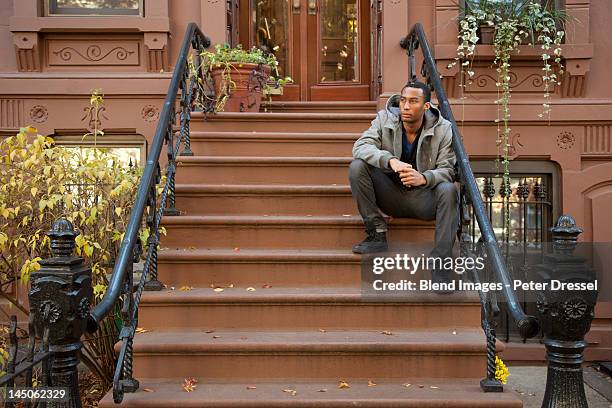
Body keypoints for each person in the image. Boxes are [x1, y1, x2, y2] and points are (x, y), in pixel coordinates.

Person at [348, 80, 458, 283]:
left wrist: (424, 178)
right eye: (403, 101)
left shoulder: (444, 129)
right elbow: (361, 146)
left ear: (426, 106)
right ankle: (376, 233)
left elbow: (448, 169)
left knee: (449, 190)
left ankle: (441, 265)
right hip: (390, 195)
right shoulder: (385, 119)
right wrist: (391, 161)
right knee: (357, 166)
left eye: (413, 101)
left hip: (424, 199)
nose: (406, 106)